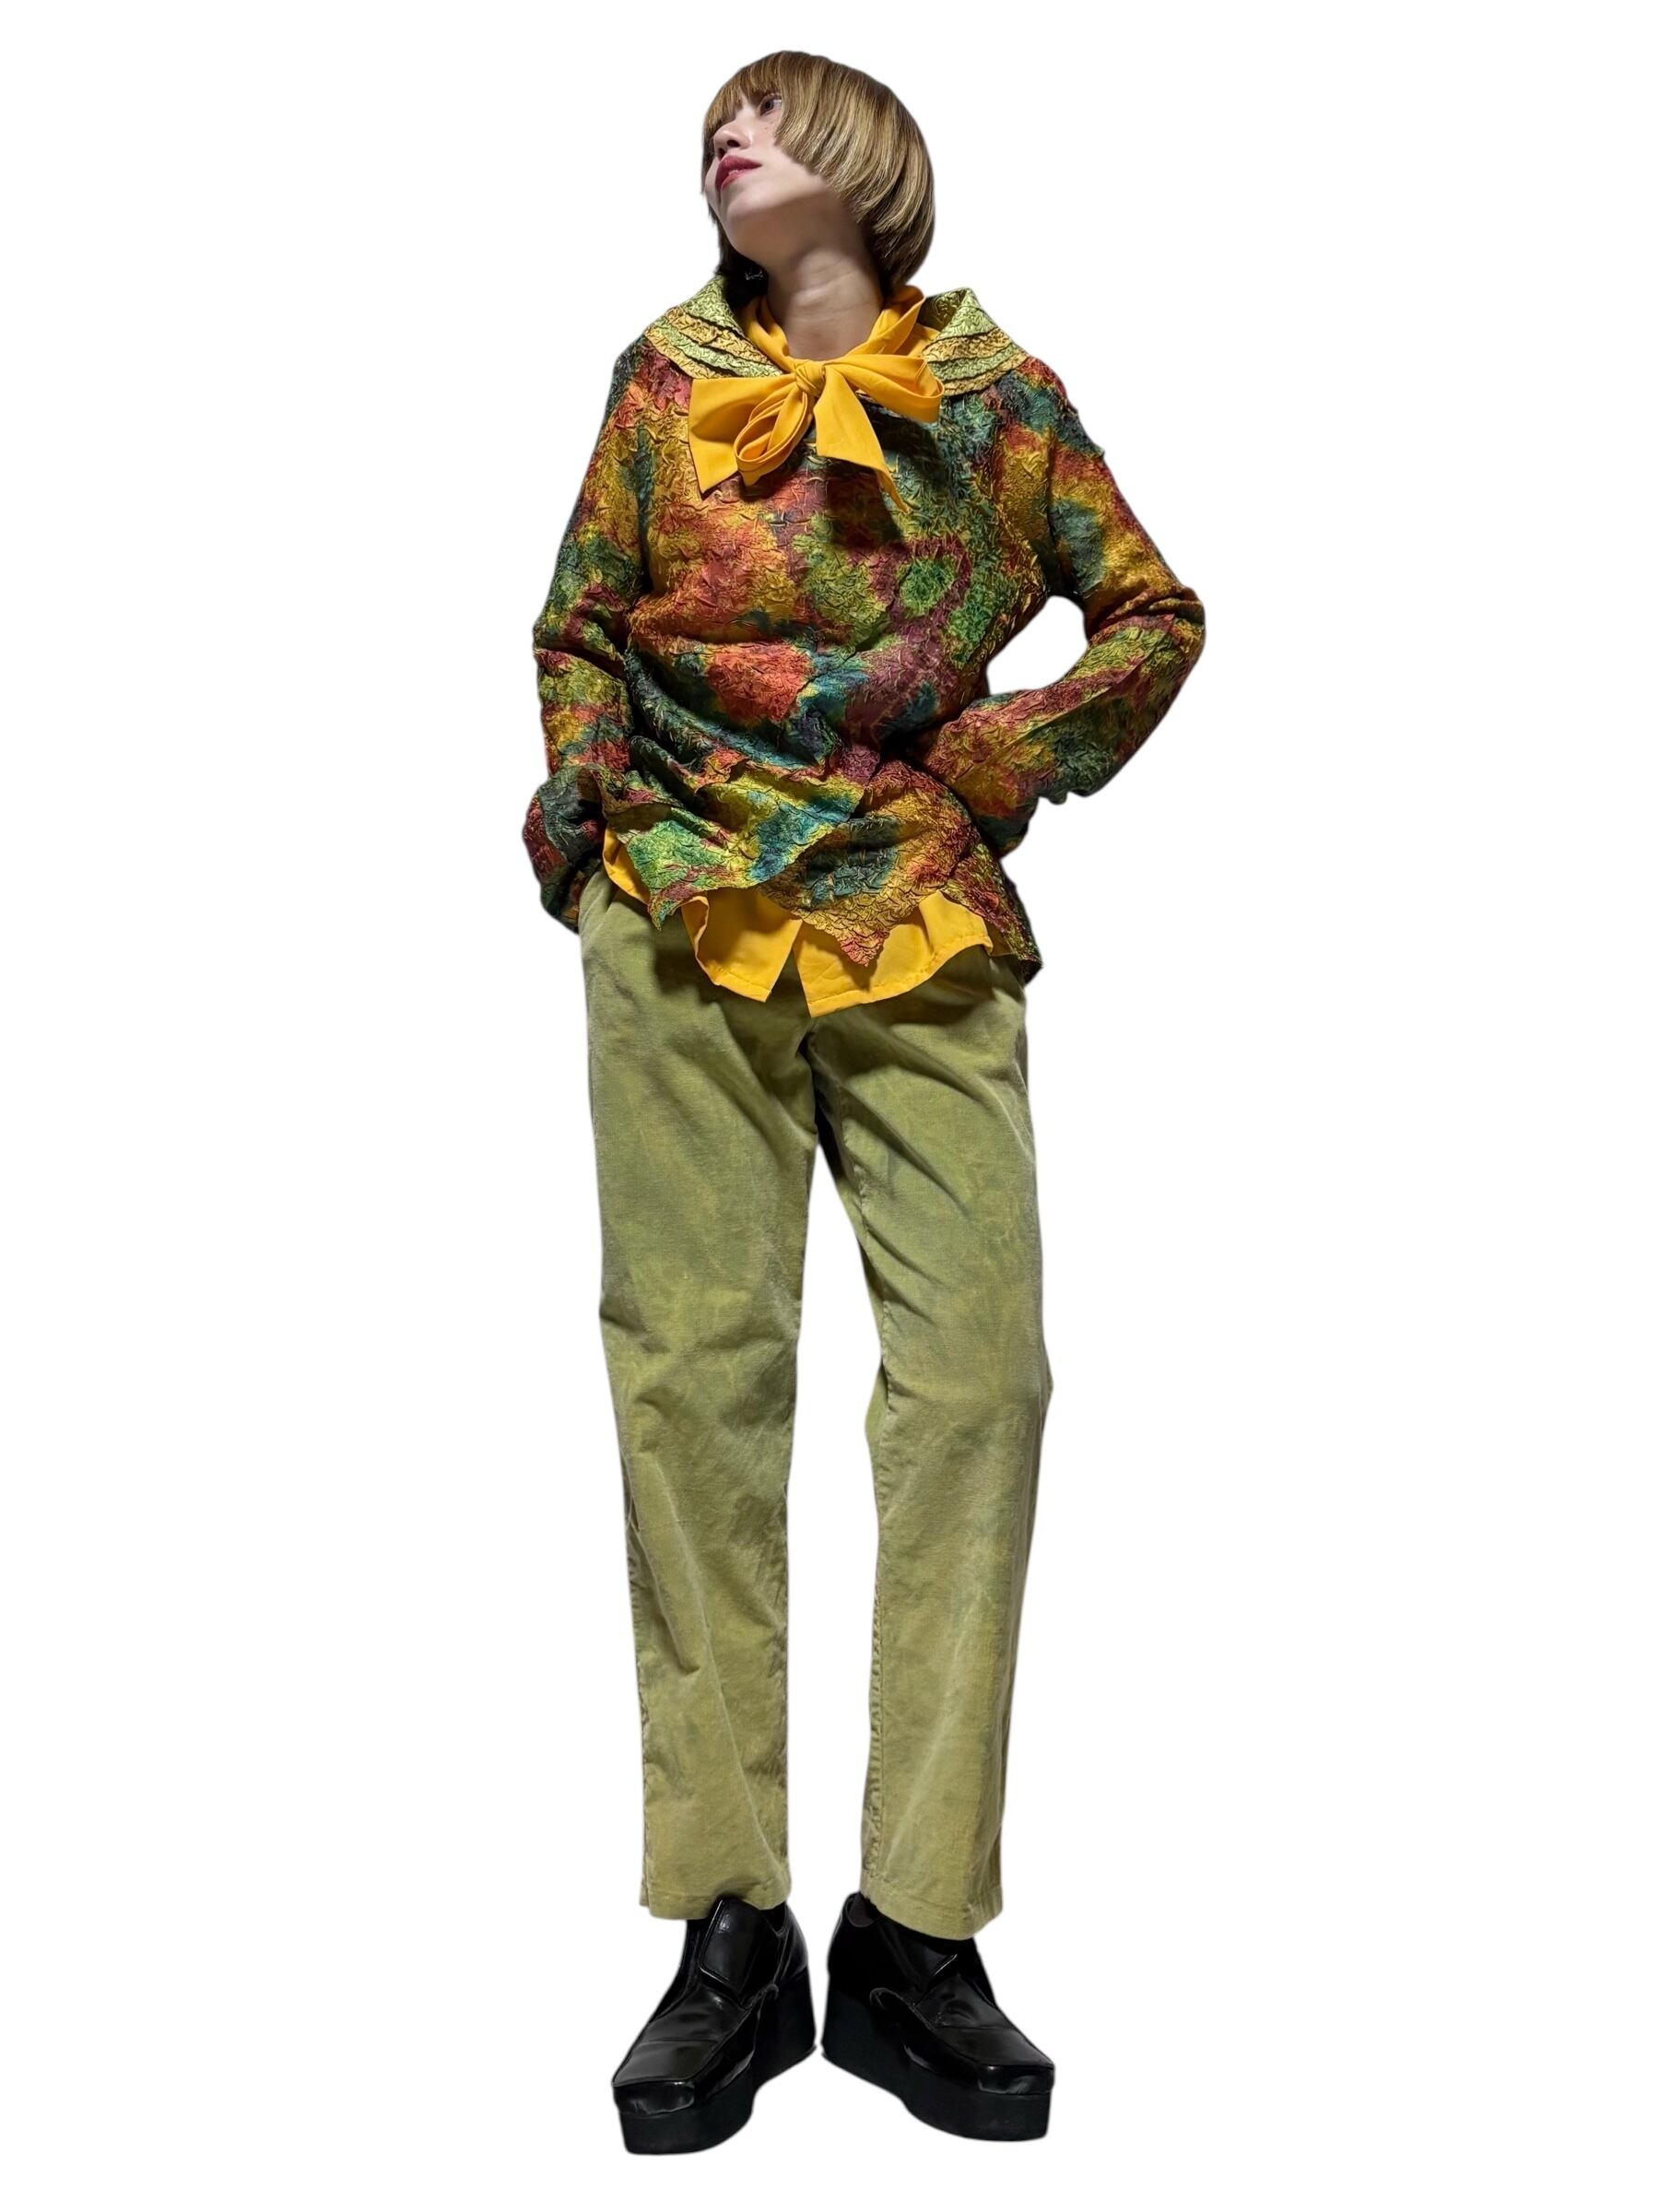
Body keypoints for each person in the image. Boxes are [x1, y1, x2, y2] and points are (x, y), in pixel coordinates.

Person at [522, 48, 1206, 2153]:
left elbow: (1153, 612)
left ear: (867, 162)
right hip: (686, 903)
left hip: (913, 911)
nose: (722, 137)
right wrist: (591, 808)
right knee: (694, 1384)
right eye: (712, 126)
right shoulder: (663, 382)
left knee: (981, 1377)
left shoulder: (993, 402)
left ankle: (914, 1936)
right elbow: (576, 624)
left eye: (768, 113)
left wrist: (1004, 760)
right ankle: (731, 1932)